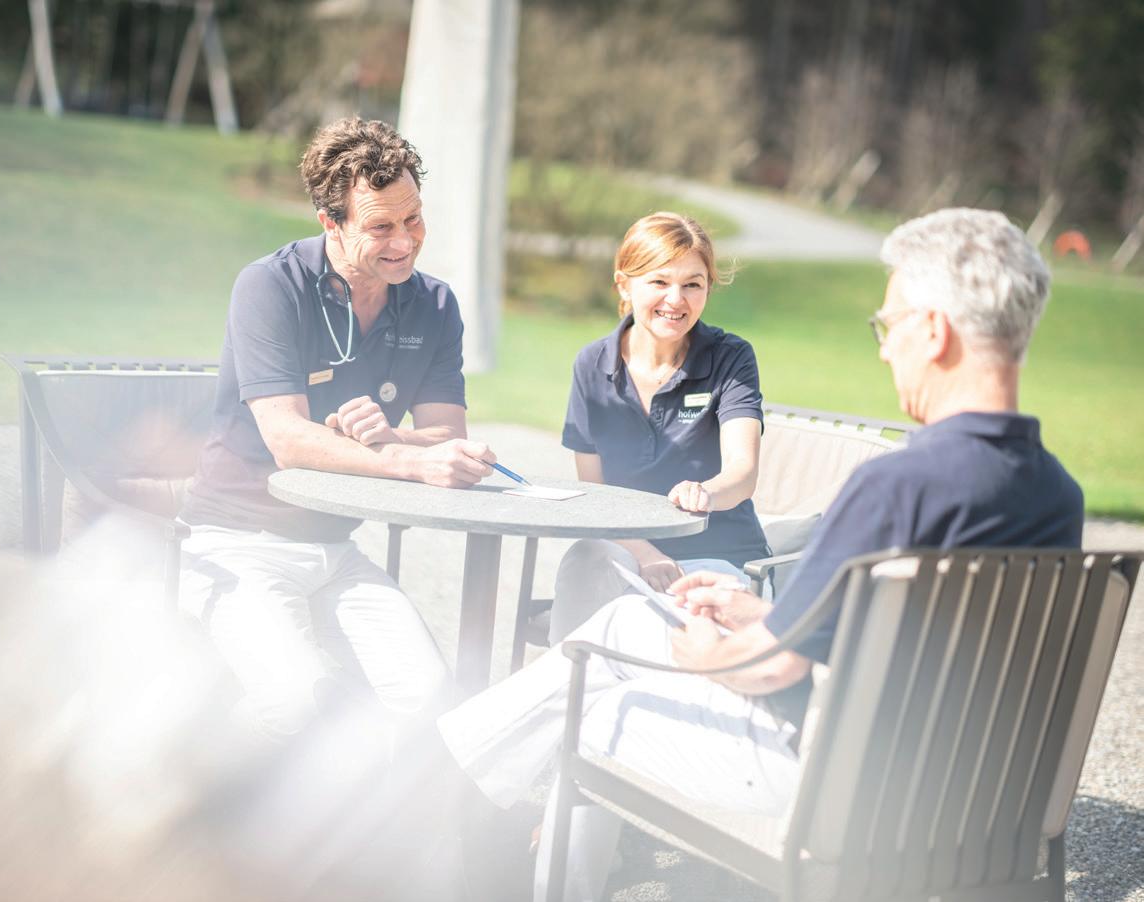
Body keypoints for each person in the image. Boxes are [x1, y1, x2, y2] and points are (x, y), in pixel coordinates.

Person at [437, 208, 1084, 902]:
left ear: (933, 331)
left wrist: (704, 653)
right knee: (623, 625)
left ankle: (443, 805)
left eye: (888, 324)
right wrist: (750, 612)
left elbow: (772, 667)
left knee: (589, 704)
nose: (884, 350)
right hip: (958, 782)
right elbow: (870, 630)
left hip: (828, 774)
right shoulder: (1056, 494)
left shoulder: (896, 488)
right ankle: (449, 781)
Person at [178, 117, 496, 740]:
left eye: (414, 219)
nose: (405, 241)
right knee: (298, 702)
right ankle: (203, 783)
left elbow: (446, 437)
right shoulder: (270, 286)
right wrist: (410, 460)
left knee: (431, 700)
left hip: (336, 550)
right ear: (331, 222)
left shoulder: (434, 305)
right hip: (235, 542)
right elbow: (288, 439)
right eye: (380, 227)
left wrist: (393, 437)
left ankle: (366, 802)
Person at [549, 212, 770, 643]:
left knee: (660, 635)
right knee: (586, 557)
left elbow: (742, 473)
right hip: (628, 552)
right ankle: (568, 676)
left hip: (719, 558)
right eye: (659, 281)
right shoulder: (591, 364)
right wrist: (644, 552)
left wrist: (706, 493)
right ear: (624, 284)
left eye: (693, 284)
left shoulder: (731, 358)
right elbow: (595, 494)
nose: (676, 299)